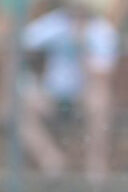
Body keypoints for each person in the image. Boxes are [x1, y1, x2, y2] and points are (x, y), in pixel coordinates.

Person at [20, 0, 118, 181]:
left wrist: (81, 46)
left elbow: (101, 76)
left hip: (84, 96)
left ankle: (96, 163)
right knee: (16, 104)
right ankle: (51, 159)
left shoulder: (103, 31)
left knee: (100, 98)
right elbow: (21, 41)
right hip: (53, 94)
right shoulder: (55, 22)